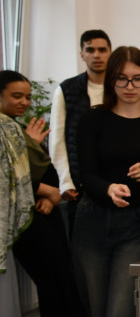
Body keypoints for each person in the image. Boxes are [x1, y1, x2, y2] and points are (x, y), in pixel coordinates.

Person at [73, 47, 140, 317]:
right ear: (110, 81)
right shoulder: (92, 120)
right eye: (121, 79)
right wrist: (108, 188)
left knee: (121, 316)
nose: (130, 86)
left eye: (137, 79)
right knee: (97, 315)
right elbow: (85, 174)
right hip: (92, 222)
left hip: (136, 224)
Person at [0, 71, 87, 317]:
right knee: (54, 277)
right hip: (25, 218)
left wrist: (50, 197)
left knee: (61, 274)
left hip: (41, 210)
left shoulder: (14, 127)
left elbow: (36, 167)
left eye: (27, 97)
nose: (24, 102)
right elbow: (10, 176)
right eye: (17, 96)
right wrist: (46, 191)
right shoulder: (6, 128)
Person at [48, 30, 112, 234]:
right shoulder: (67, 90)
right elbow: (57, 139)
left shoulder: (121, 87)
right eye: (90, 50)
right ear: (82, 54)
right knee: (81, 239)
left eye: (102, 50)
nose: (96, 55)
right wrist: (65, 181)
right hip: (78, 182)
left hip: (113, 179)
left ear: (110, 52)